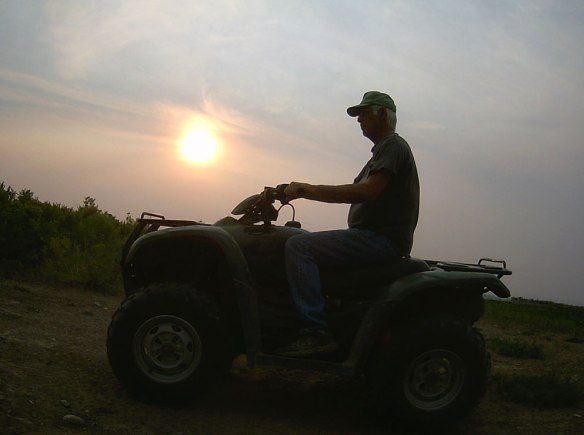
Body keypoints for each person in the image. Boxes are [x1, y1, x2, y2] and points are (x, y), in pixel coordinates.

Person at [276, 91, 420, 358]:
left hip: (380, 239)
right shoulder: (380, 155)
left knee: (299, 246)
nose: (359, 119)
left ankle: (315, 331)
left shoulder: (392, 146)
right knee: (303, 239)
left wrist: (308, 190)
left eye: (364, 113)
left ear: (382, 114)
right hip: (371, 236)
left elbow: (367, 192)